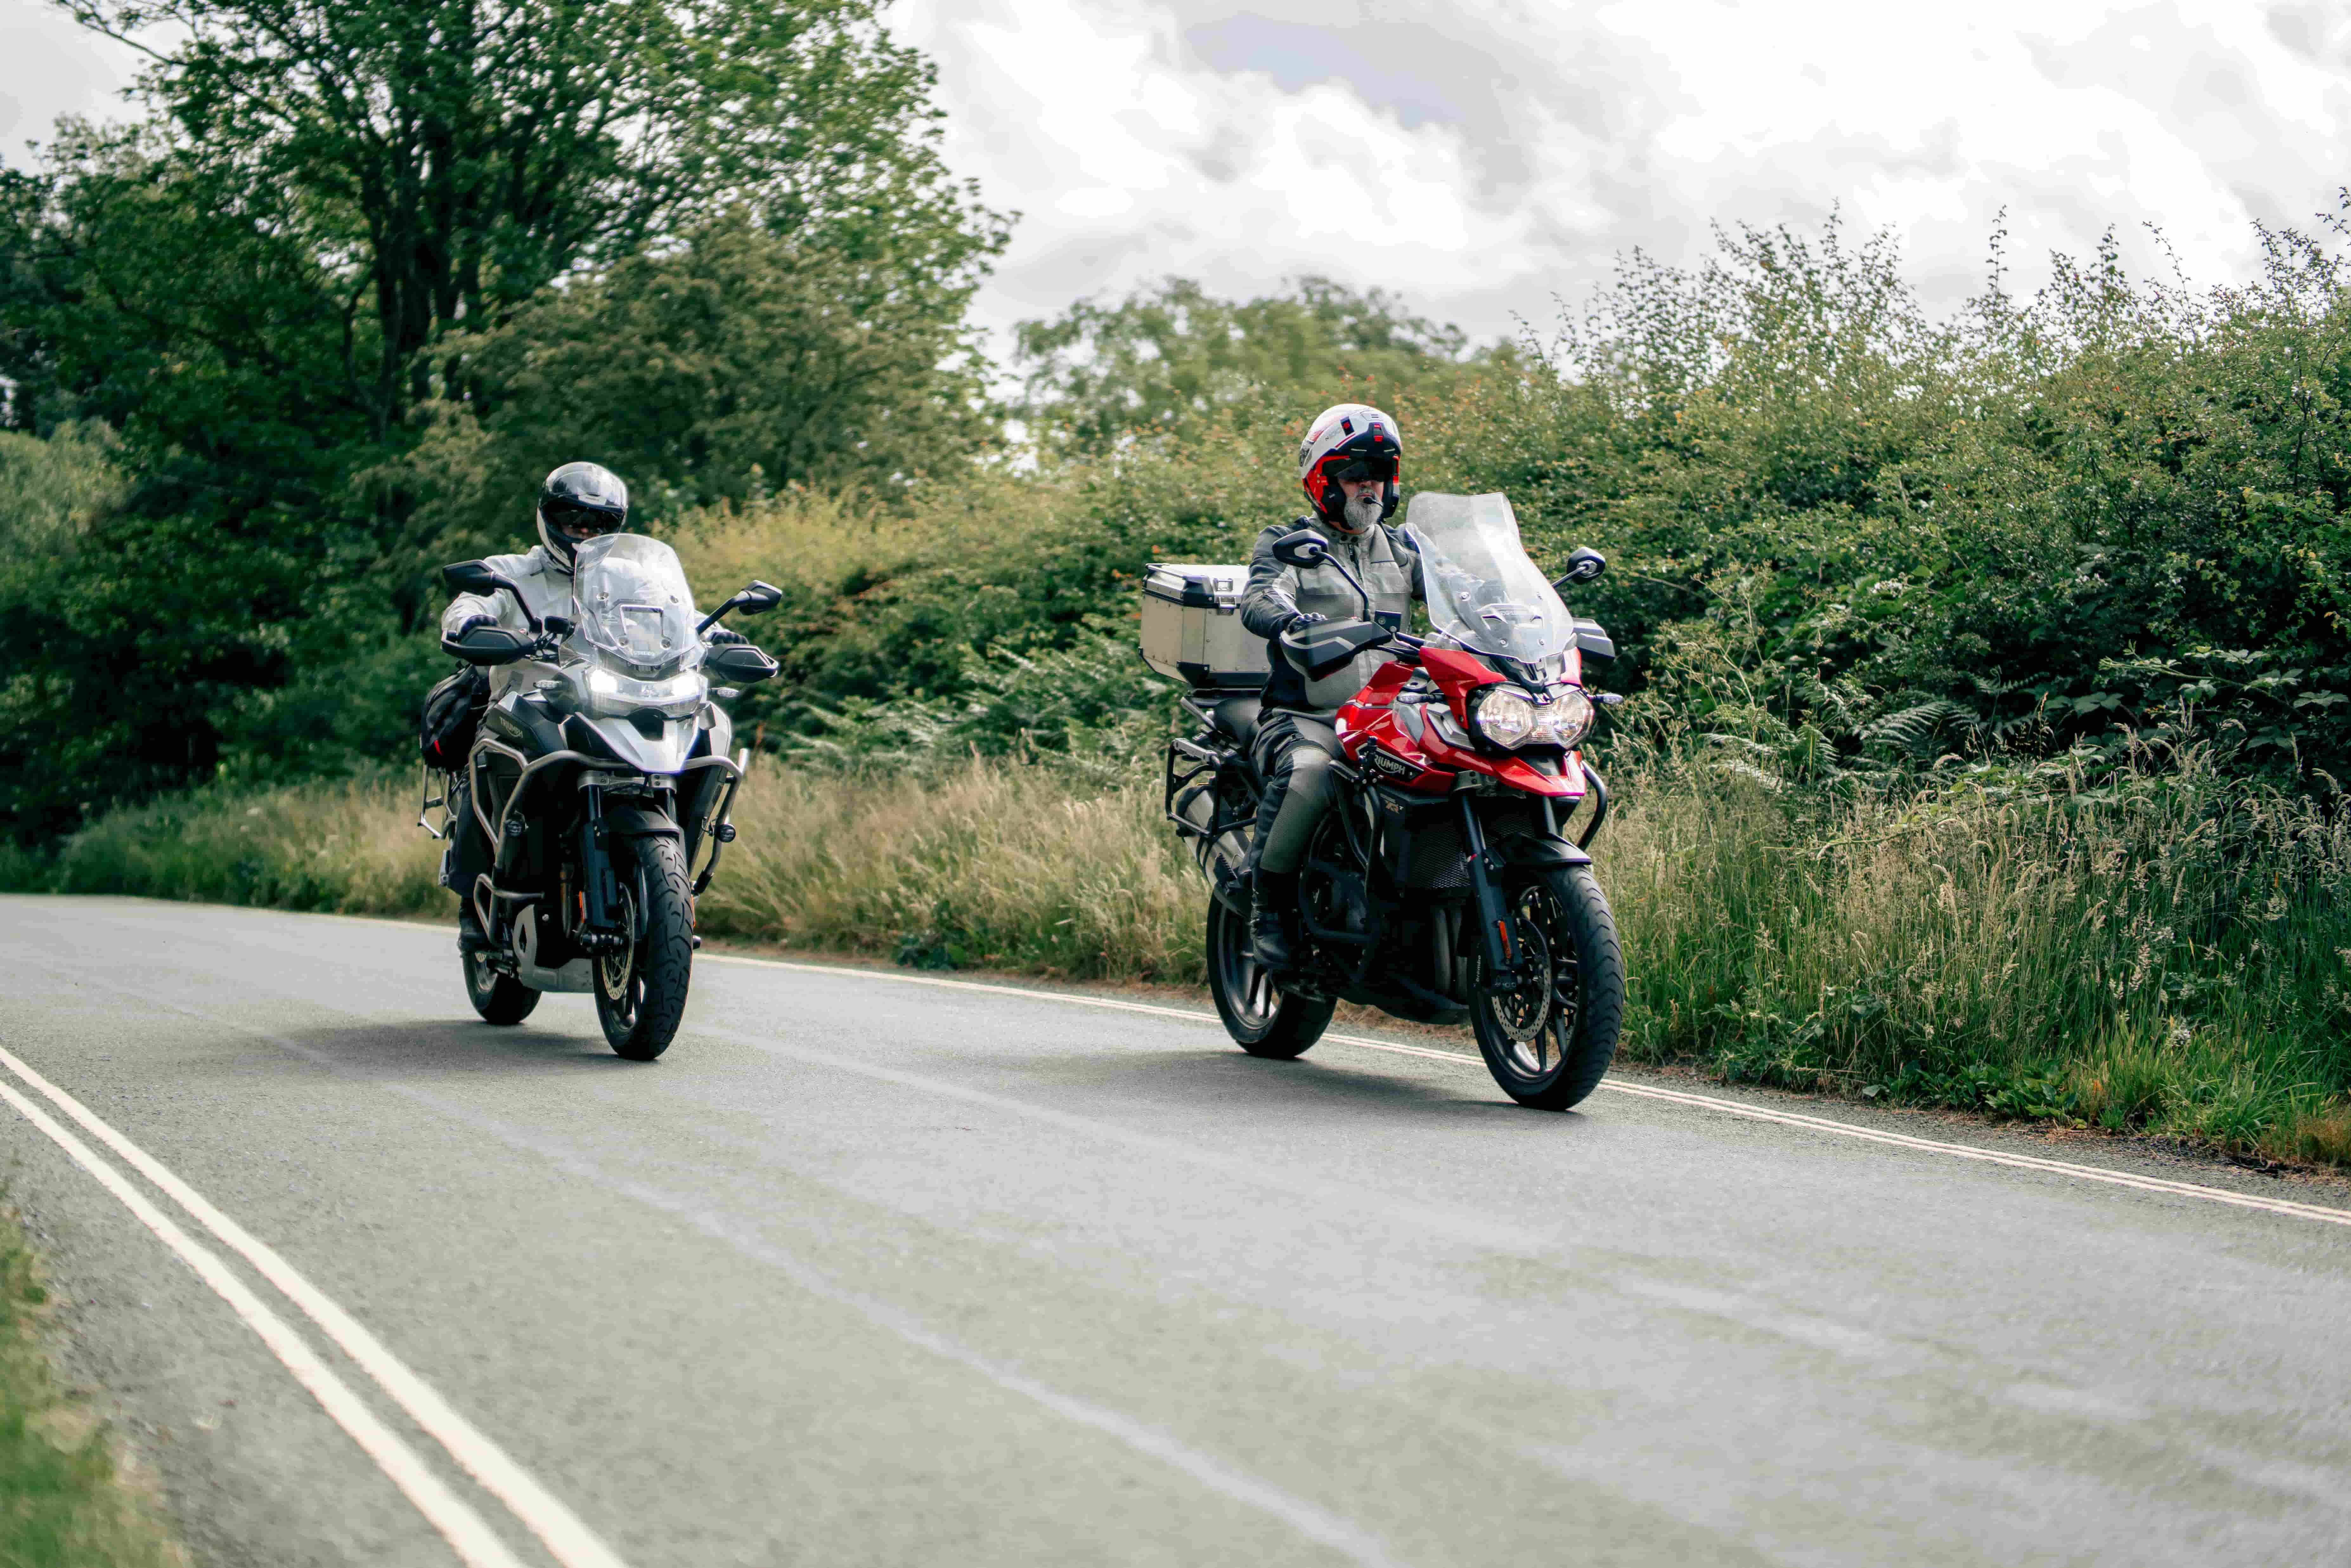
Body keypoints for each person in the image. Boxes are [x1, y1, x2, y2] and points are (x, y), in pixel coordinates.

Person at [436, 461, 737, 952]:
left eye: (597, 524)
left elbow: (677, 613)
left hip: (607, 703)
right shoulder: (515, 571)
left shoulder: (629, 577)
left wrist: (713, 632)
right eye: (574, 519)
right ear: (548, 517)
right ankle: (474, 899)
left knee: (706, 726)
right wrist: (468, 624)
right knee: (485, 754)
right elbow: (472, 602)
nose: (583, 531)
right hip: (532, 706)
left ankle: (664, 884)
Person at [1237, 403, 1424, 970]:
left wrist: (1507, 612)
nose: (1370, 484)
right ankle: (1264, 904)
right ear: (1324, 481)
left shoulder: (1405, 548)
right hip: (1309, 716)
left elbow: (1461, 590)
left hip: (1393, 715)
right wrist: (1291, 621)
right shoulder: (1287, 541)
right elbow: (1260, 595)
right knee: (1313, 774)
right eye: (1354, 473)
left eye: (1380, 472)